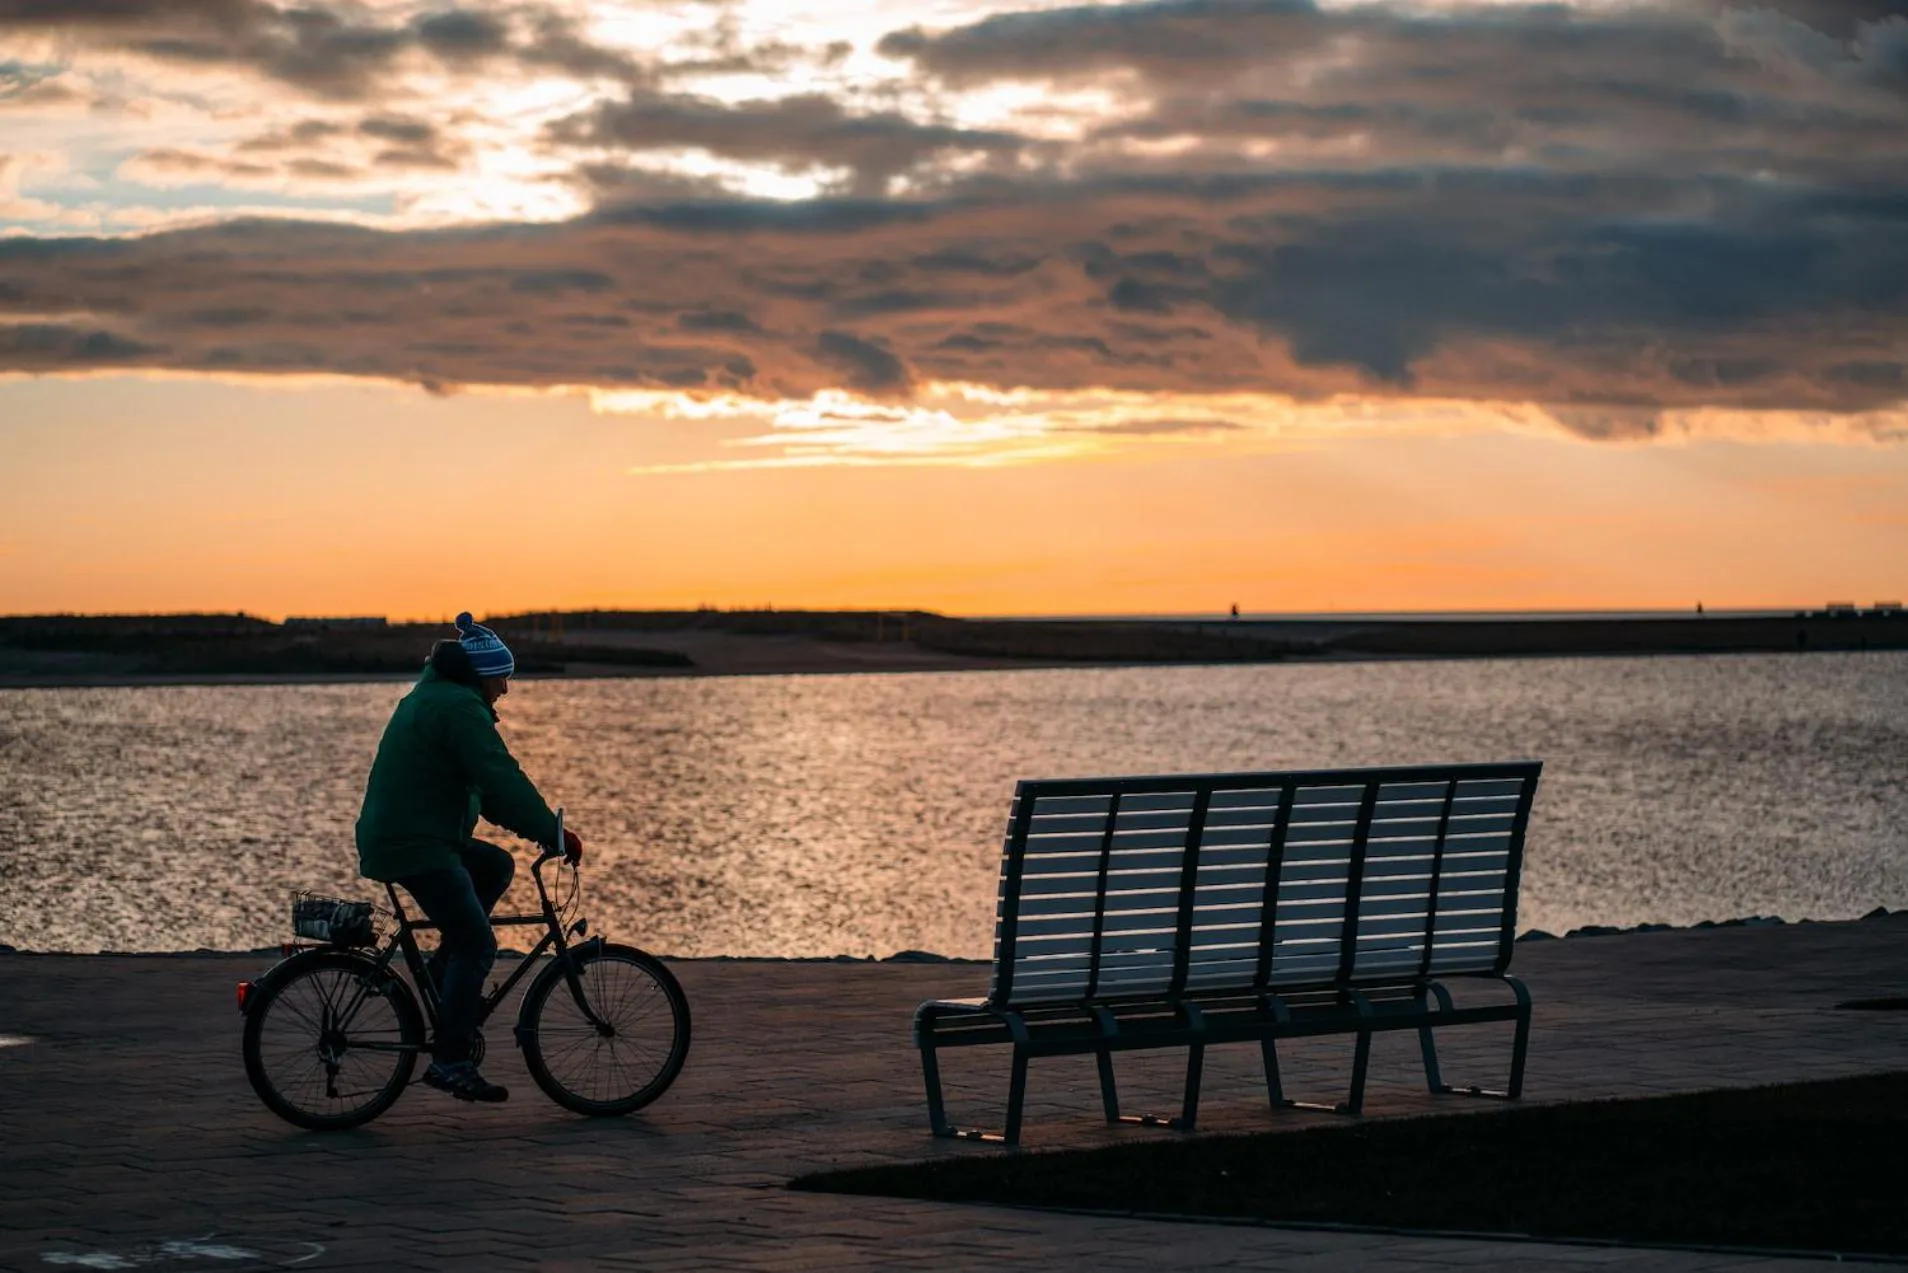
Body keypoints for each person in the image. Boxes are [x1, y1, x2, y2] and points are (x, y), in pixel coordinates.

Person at [354, 612, 582, 1104]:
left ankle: (442, 975)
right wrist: (554, 833)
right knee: (479, 944)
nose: (505, 689)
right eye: (502, 677)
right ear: (481, 675)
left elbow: (490, 793)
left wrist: (544, 833)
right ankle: (450, 1060)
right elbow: (502, 777)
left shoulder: (438, 698)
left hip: (419, 836)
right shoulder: (457, 708)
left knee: (496, 866)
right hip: (415, 844)